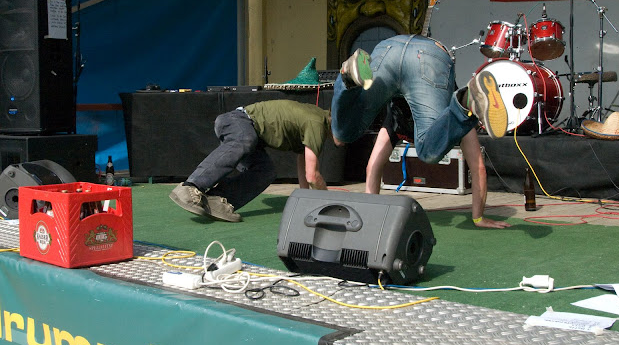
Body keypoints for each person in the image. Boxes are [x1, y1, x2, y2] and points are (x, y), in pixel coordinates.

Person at [332, 34, 510, 222]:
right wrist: (478, 218)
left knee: (342, 134)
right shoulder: (447, 116)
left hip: (388, 49)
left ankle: (346, 79)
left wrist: (371, 213)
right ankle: (466, 100)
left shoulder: (403, 119)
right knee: (429, 152)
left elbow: (373, 167)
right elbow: (477, 167)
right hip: (429, 56)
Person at [170, 100, 331, 222]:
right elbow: (312, 175)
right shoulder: (317, 122)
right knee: (245, 139)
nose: (342, 144)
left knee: (266, 172)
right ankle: (191, 186)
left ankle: (217, 201)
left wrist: (304, 198)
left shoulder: (318, 122)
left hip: (250, 135)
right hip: (237, 121)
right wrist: (329, 203)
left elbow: (304, 163)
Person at [365, 98, 510, 228]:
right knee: (373, 166)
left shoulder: (454, 117)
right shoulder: (397, 118)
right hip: (405, 112)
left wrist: (479, 218)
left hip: (445, 108)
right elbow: (372, 167)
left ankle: (468, 96)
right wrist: (478, 219)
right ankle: (370, 213)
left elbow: (478, 169)